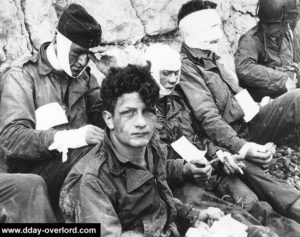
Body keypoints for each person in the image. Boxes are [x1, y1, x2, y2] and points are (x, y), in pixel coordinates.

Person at [145, 43, 300, 236]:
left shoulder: (176, 99)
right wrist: (184, 169)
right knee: (232, 218)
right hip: (178, 185)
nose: (173, 79)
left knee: (253, 204)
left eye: (176, 73)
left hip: (208, 169)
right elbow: (148, 165)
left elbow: (199, 136)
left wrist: (220, 155)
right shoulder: (140, 110)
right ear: (150, 71)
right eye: (166, 73)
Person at [59, 65, 227, 236]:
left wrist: (195, 215)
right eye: (129, 113)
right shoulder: (91, 181)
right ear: (109, 120)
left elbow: (155, 197)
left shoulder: (148, 147)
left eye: (147, 111)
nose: (141, 122)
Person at [177, 0, 300, 224]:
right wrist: (243, 147)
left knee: (297, 98)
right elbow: (209, 118)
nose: (220, 33)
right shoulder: (187, 68)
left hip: (249, 123)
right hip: (227, 139)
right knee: (246, 169)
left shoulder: (210, 56)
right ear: (195, 30)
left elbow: (237, 94)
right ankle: (295, 206)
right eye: (213, 27)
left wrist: (258, 106)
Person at [0, 3, 111, 218]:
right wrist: (73, 137)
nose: (82, 62)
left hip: (74, 168)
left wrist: (112, 76)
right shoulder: (21, 76)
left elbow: (108, 121)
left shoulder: (86, 78)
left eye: (88, 55)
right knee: (93, 153)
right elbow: (11, 139)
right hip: (30, 176)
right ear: (57, 40)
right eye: (78, 53)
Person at [235, 0, 300, 102]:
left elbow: (294, 62)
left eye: (287, 23)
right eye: (281, 24)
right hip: (268, 97)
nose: (286, 28)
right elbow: (244, 68)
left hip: (290, 89)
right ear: (265, 24)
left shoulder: (286, 35)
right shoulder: (250, 40)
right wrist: (282, 79)